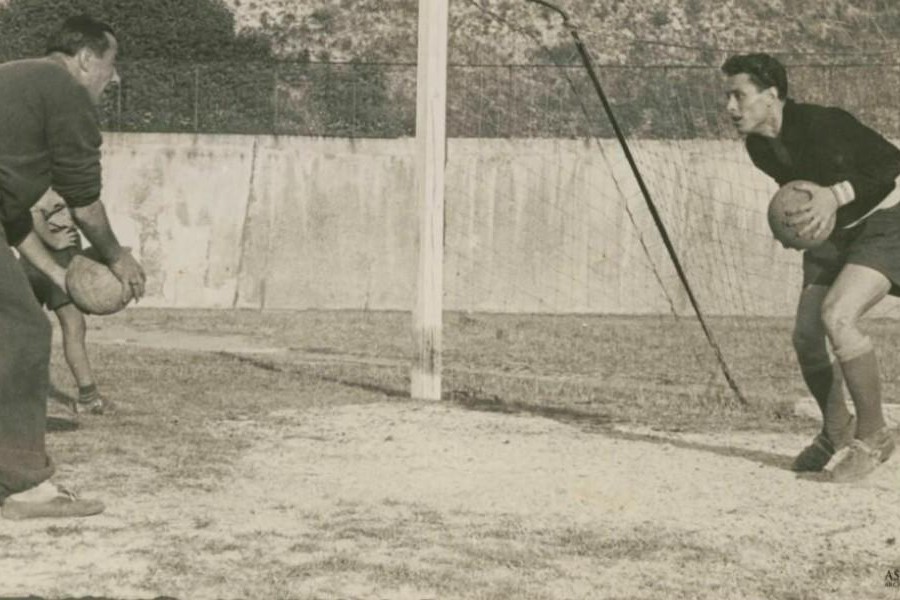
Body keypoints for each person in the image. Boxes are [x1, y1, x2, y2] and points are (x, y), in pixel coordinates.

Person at [722, 53, 900, 482]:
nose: (730, 107)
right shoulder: (759, 147)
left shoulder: (823, 123)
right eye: (727, 96)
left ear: (771, 95)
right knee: (806, 335)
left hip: (885, 221)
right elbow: (800, 195)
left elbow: (891, 164)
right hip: (836, 234)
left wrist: (834, 195)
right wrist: (796, 227)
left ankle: (874, 435)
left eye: (738, 95)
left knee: (837, 316)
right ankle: (837, 430)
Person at [0, 15, 145, 519]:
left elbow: (12, 220)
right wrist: (117, 257)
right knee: (23, 333)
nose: (116, 77)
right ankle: (25, 489)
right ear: (86, 59)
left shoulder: (18, 77)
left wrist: (61, 275)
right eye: (112, 63)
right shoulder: (64, 90)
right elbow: (84, 203)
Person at [21, 190, 111, 417]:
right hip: (53, 258)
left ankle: (17, 391)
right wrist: (54, 240)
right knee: (73, 325)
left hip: (42, 257)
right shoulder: (49, 180)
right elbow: (33, 212)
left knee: (25, 329)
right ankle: (88, 397)